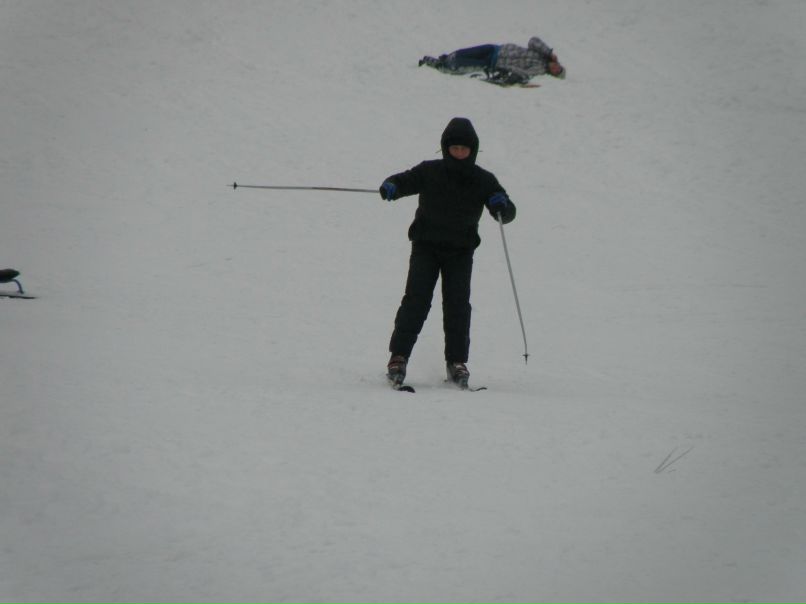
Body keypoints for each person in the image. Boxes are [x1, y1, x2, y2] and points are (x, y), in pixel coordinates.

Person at [379, 117, 516, 388]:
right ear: (445, 148)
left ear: (473, 150)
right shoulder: (430, 171)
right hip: (426, 248)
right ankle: (399, 357)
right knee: (416, 301)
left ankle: (456, 361)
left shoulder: (483, 180)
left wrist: (502, 205)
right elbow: (403, 181)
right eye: (454, 148)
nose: (459, 153)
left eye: (465, 149)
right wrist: (391, 186)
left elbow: (507, 212)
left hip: (460, 253)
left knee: (457, 306)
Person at [419, 36, 566, 86]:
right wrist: (549, 52)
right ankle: (446, 59)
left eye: (555, 71)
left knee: (461, 64)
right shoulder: (543, 54)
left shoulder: (539, 69)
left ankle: (441, 65)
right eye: (557, 66)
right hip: (495, 49)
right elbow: (533, 40)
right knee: (460, 53)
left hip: (493, 62)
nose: (554, 67)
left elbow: (522, 72)